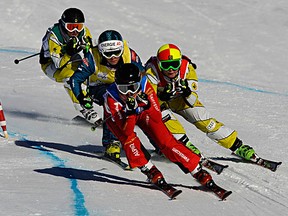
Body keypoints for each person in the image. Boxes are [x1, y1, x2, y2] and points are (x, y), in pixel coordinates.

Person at [103, 63, 224, 194]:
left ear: (139, 83)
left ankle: (196, 169)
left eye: (133, 87)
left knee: (166, 141)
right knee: (129, 141)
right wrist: (131, 113)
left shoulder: (145, 86)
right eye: (123, 89)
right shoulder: (112, 99)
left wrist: (147, 105)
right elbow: (126, 131)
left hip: (144, 112)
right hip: (121, 120)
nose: (129, 93)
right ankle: (149, 169)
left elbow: (156, 117)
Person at [145, 43, 259, 162]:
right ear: (159, 64)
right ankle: (184, 146)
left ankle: (237, 145)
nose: (171, 70)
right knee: (165, 119)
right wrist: (162, 97)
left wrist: (187, 92)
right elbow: (149, 103)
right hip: (159, 103)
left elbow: (192, 99)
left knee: (205, 121)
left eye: (174, 64)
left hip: (181, 100)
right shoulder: (151, 71)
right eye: (166, 65)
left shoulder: (187, 68)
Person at [70, 30, 144, 160]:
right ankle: (111, 142)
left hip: (121, 85)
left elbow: (142, 75)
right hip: (97, 87)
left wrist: (138, 94)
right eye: (108, 53)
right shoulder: (93, 57)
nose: (113, 57)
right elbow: (75, 79)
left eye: (117, 52)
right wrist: (81, 98)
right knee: (110, 99)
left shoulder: (129, 55)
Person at [39, 8, 101, 125]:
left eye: (79, 26)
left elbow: (91, 54)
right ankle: (84, 109)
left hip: (72, 59)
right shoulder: (54, 36)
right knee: (71, 78)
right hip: (51, 65)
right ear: (63, 25)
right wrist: (69, 52)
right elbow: (58, 64)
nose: (75, 31)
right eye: (71, 27)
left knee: (92, 73)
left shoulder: (84, 32)